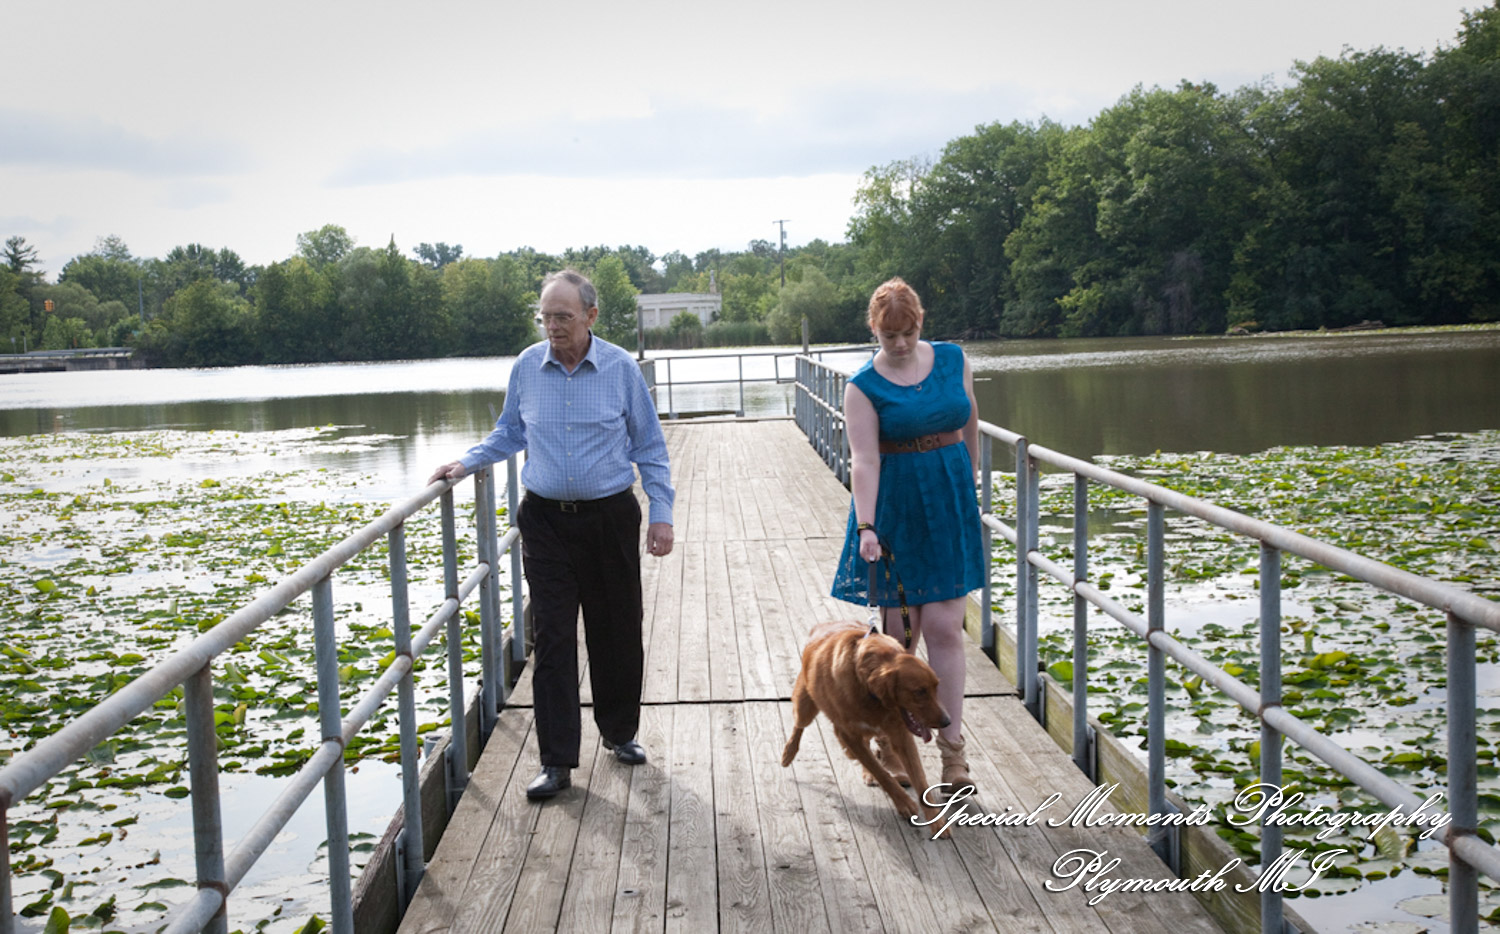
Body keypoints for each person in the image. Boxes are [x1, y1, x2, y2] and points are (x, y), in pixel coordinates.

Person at [429, 269, 674, 801]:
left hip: (609, 517)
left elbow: (650, 445)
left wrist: (662, 512)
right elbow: (509, 431)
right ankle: (557, 761)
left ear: (590, 316)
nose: (553, 327)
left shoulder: (619, 368)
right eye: (546, 317)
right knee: (555, 637)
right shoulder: (526, 366)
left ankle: (619, 732)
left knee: (615, 630)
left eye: (563, 317)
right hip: (545, 521)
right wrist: (466, 463)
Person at [829, 276, 985, 795]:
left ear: (921, 322)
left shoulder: (952, 359)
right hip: (894, 507)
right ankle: (894, 745)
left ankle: (953, 755)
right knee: (897, 640)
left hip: (947, 501)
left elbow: (969, 422)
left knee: (943, 629)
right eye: (889, 334)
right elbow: (865, 460)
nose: (900, 343)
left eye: (909, 331)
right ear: (874, 329)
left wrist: (973, 484)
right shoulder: (862, 387)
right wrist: (868, 525)